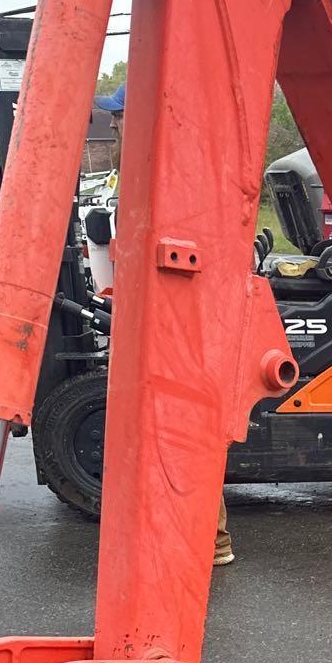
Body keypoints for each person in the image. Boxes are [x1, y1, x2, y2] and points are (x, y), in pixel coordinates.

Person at [97, 77, 234, 566]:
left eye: (119, 115)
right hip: (165, 314)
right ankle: (193, 536)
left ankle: (209, 539)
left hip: (178, 319)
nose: (112, 123)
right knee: (167, 425)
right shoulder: (148, 167)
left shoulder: (167, 168)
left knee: (183, 424)